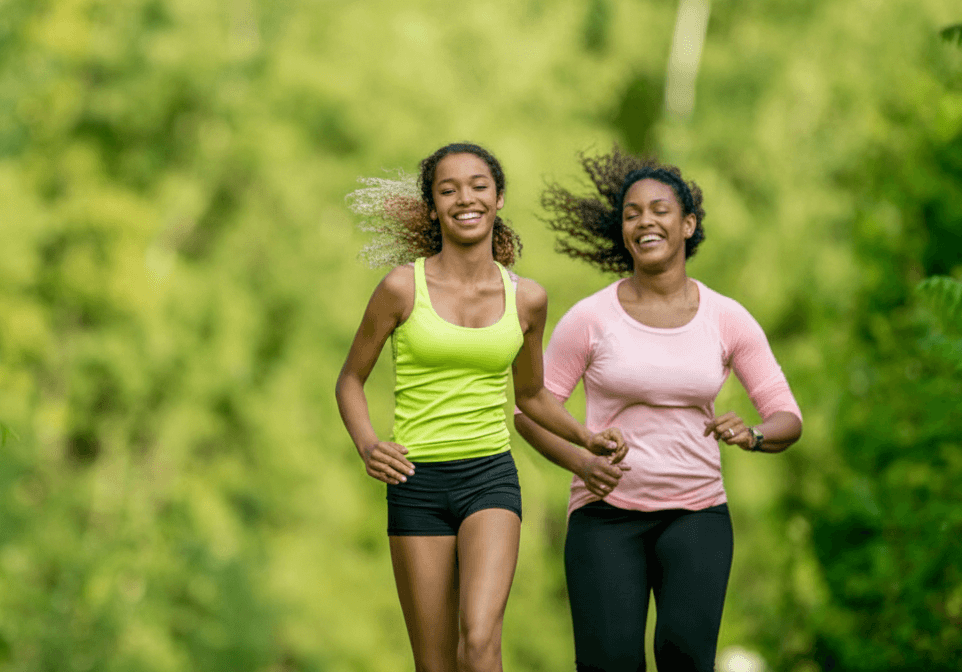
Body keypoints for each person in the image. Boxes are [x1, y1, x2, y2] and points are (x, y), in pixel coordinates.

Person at [336, 142, 627, 672]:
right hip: (415, 483)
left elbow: (532, 396)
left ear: (497, 198)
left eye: (478, 186)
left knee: (480, 638)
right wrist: (368, 444)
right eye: (448, 190)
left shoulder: (527, 299)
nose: (464, 198)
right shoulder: (402, 288)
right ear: (432, 207)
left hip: (488, 476)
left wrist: (586, 438)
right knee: (435, 663)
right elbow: (351, 380)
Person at [513, 148, 803, 672]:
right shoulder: (589, 319)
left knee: (683, 657)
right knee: (610, 664)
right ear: (623, 231)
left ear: (688, 224)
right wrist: (582, 460)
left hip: (697, 514)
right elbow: (530, 410)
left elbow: (787, 416)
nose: (644, 221)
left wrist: (754, 435)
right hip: (604, 518)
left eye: (659, 210)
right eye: (631, 214)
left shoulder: (726, 318)